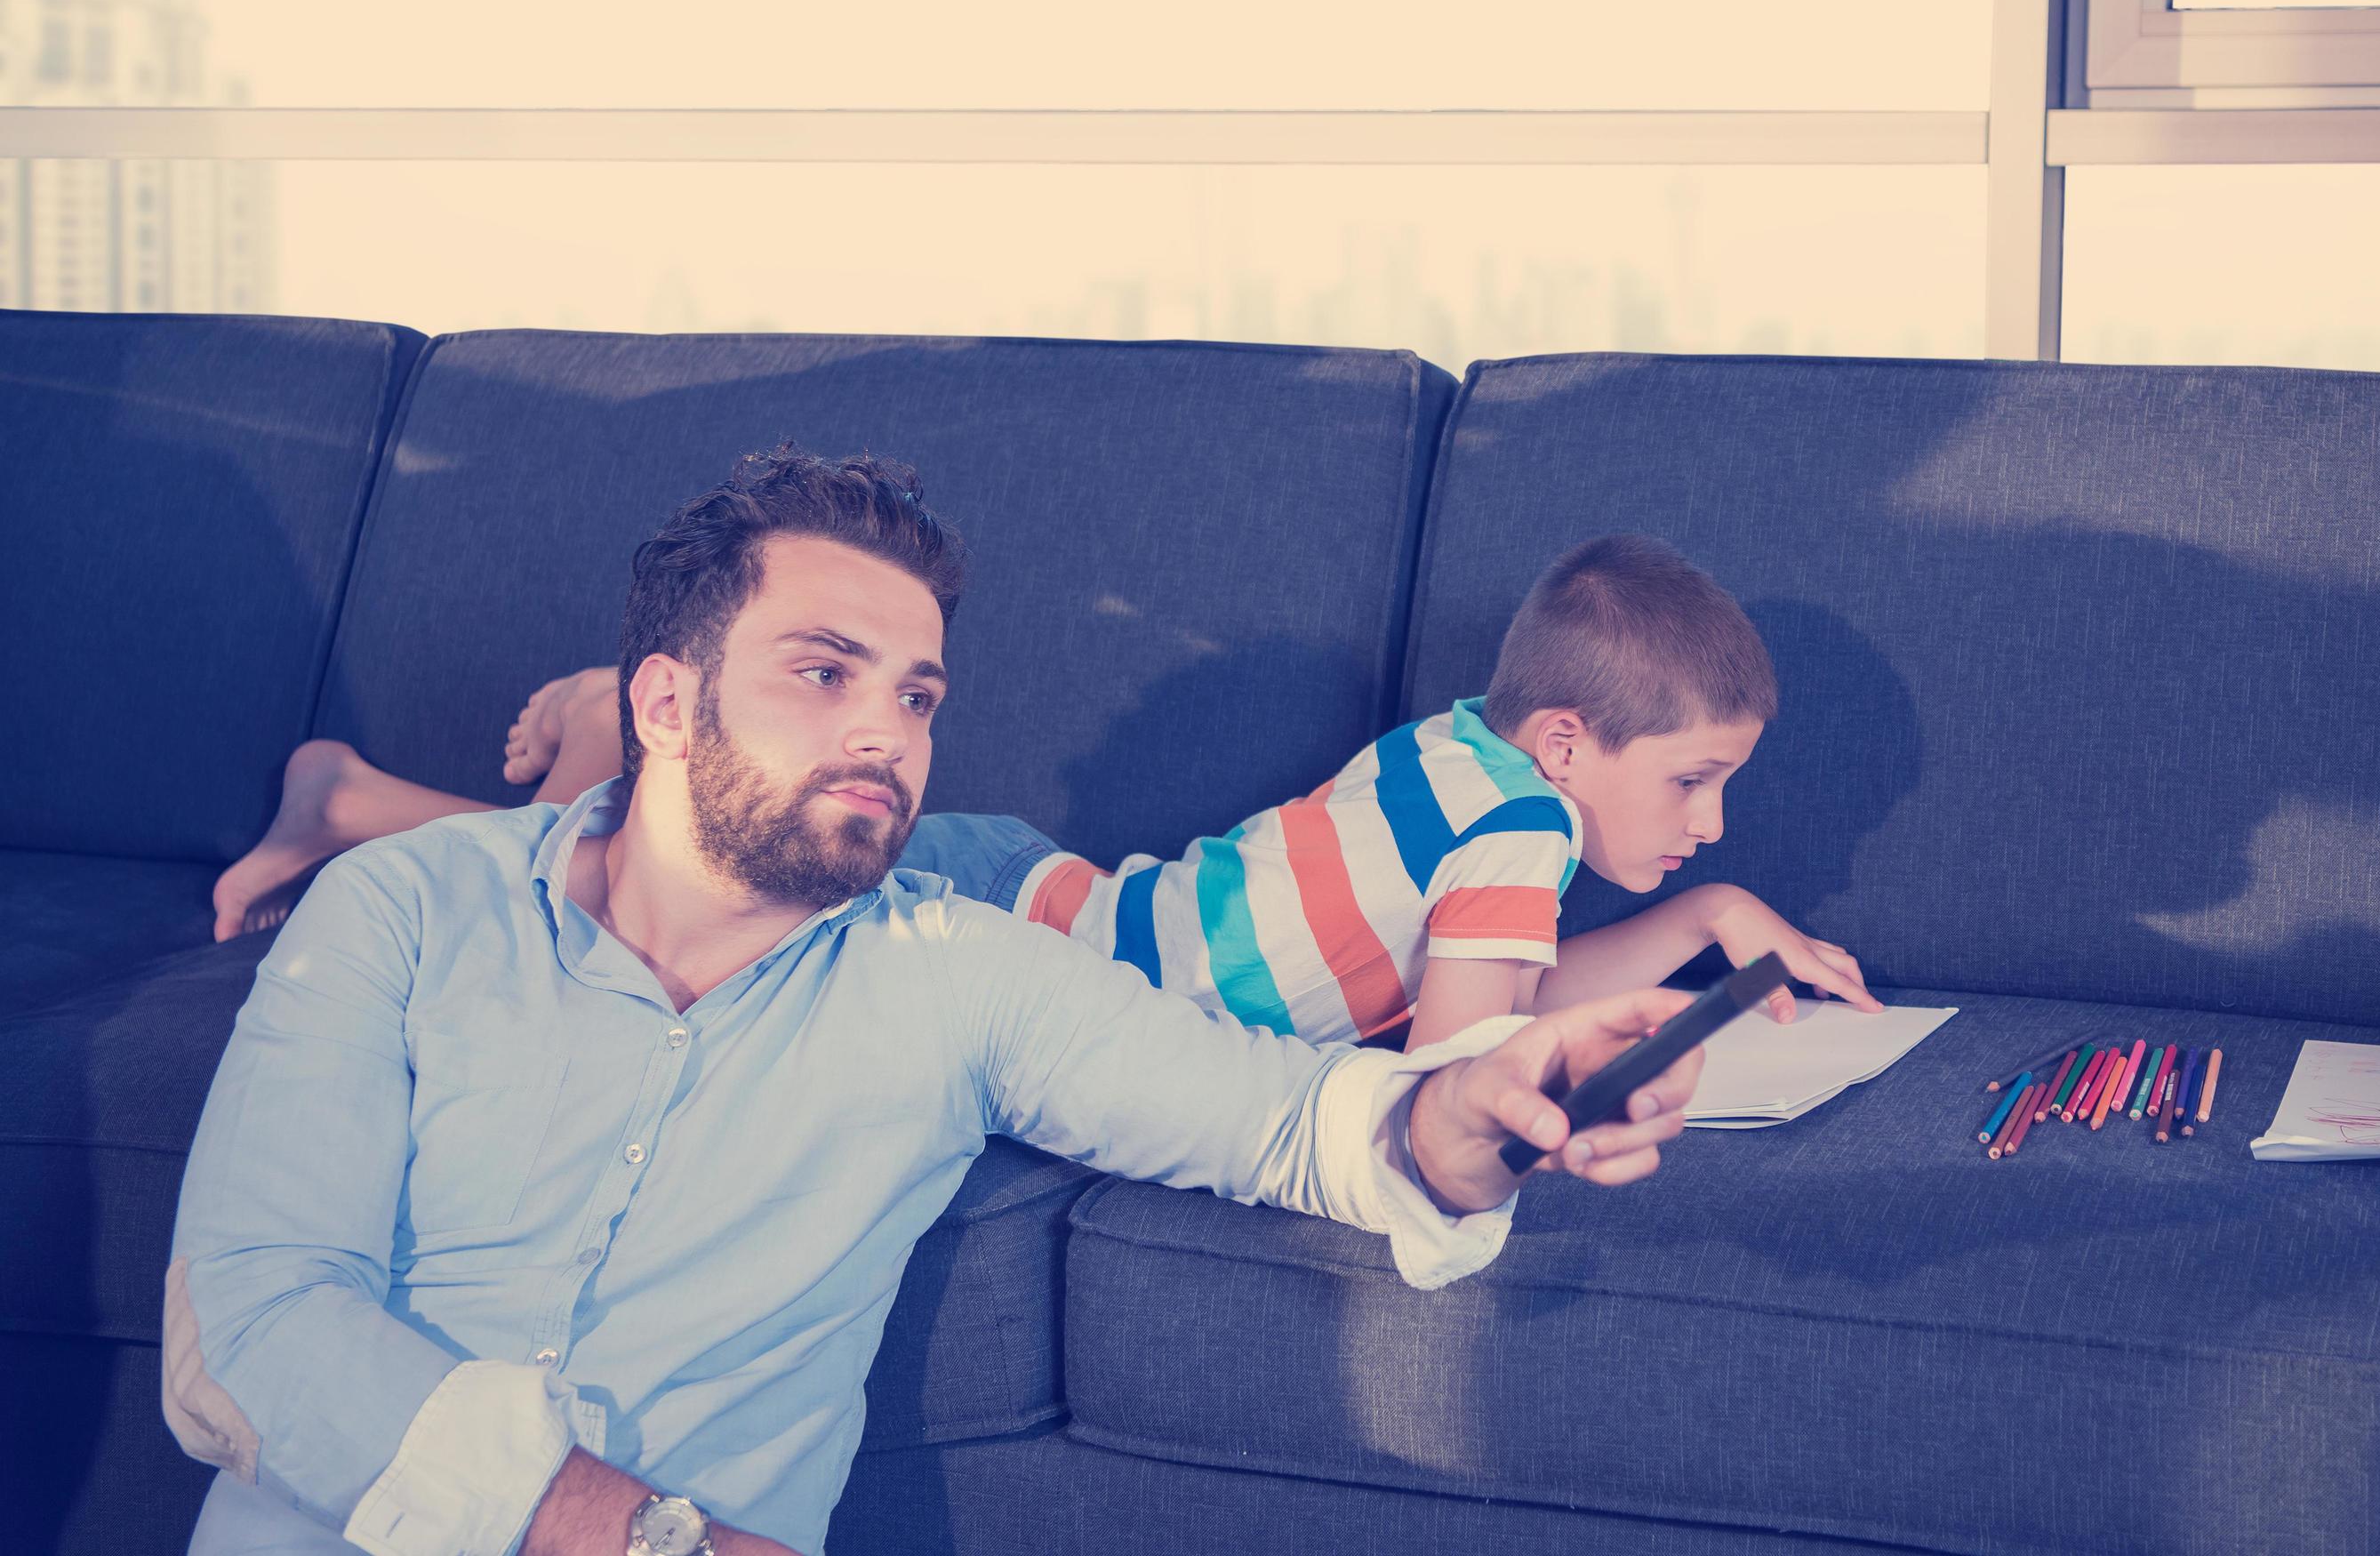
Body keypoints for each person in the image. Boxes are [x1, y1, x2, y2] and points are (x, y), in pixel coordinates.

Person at [166, 447, 1713, 1556]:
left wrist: (1478, 1110)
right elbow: (245, 1330)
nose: (888, 735)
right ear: (664, 699)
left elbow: (1307, 1125)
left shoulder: (958, 973)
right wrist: (647, 1542)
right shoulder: (404, 910)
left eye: (916, 695)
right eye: (824, 674)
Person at [213, 534, 1879, 1050]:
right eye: (1700, 787)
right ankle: (518, 759)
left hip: (1050, 888)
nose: (1711, 822)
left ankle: (412, 780)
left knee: (657, 874)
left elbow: (1481, 977)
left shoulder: (1475, 751)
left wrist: (1707, 925)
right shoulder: (1519, 827)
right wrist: (1652, 1021)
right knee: (624, 893)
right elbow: (1464, 1053)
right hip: (1010, 923)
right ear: (1576, 746)